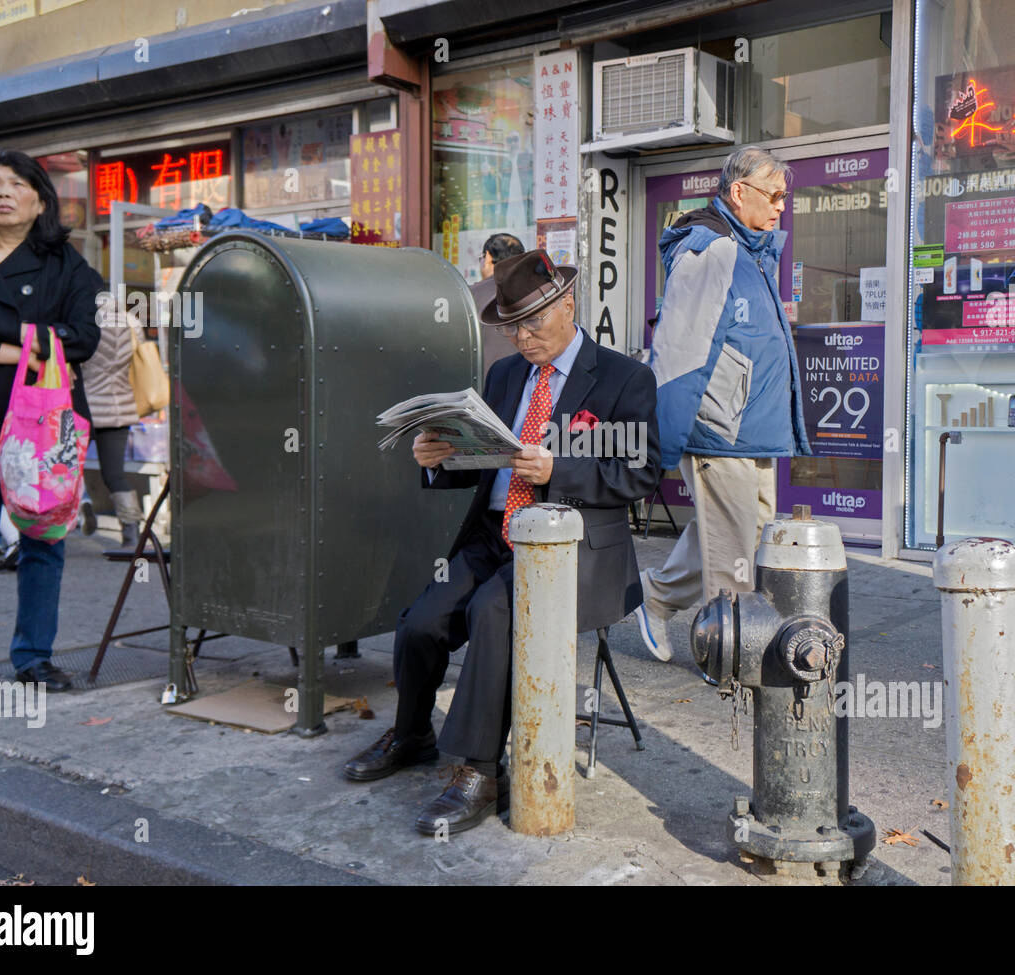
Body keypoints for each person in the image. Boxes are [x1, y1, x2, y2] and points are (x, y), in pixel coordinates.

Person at [343, 249, 661, 835]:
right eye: (511, 326)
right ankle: (413, 734)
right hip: (496, 533)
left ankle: (481, 770)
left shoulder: (623, 377)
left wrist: (558, 470)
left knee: (495, 612)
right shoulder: (507, 375)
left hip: (568, 546)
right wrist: (439, 460)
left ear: (568, 307)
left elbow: (641, 475)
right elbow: (487, 458)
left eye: (533, 322)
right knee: (420, 621)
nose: (521, 337)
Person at [634, 145, 811, 662]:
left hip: (750, 426)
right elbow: (678, 351)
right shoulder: (711, 249)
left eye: (785, 196)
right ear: (740, 192)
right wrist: (665, 444)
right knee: (735, 550)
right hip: (721, 427)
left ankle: (654, 595)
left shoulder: (751, 251)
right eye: (775, 195)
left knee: (745, 533)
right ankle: (727, 657)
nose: (782, 206)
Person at [0, 150, 103, 694]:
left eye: (16, 183)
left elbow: (85, 335)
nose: (2, 191)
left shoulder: (68, 264)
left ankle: (34, 656)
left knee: (44, 542)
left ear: (39, 200)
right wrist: (26, 351)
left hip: (45, 426)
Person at [81, 295, 144, 548]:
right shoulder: (131, 322)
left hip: (87, 407)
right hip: (121, 408)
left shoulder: (86, 323)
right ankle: (131, 530)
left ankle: (81, 504)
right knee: (115, 473)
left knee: (68, 469)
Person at [471, 233, 526, 374]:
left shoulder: (470, 295)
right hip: (529, 385)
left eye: (481, 259)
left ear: (488, 257)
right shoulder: (534, 290)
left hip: (484, 388)